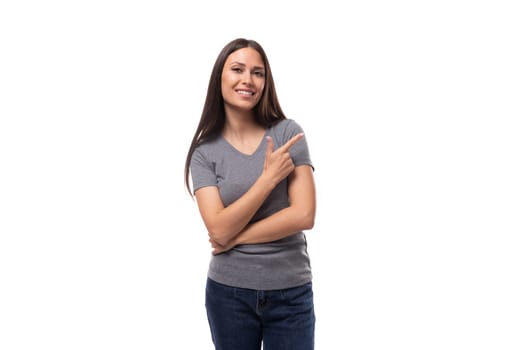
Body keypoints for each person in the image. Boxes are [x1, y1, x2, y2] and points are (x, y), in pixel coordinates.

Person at [184, 38, 317, 350]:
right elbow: (217, 227)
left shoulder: (287, 133)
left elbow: (304, 215)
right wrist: (268, 179)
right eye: (237, 69)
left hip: (291, 292)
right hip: (228, 294)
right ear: (220, 77)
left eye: (258, 73)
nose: (248, 80)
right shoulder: (204, 153)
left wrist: (234, 238)